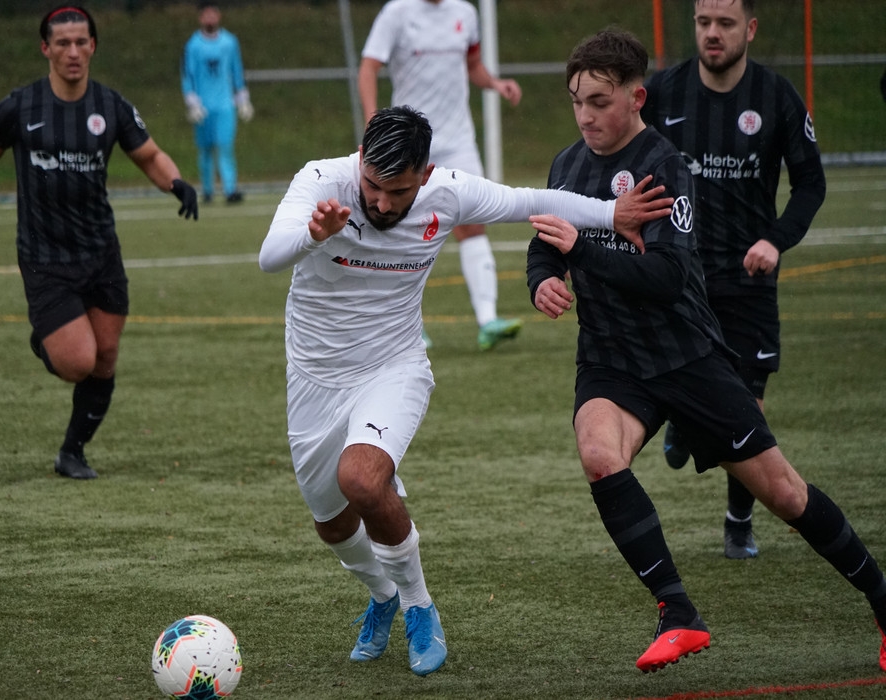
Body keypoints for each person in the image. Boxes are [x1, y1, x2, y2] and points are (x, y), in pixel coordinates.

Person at [259, 105, 672, 676]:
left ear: (425, 176)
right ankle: (382, 595)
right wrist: (312, 234)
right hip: (314, 377)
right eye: (372, 186)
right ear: (359, 160)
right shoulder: (322, 181)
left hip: (393, 367)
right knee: (331, 522)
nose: (382, 203)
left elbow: (530, 201)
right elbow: (269, 257)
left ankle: (418, 605)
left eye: (398, 191)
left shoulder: (448, 193)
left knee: (362, 479)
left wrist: (609, 213)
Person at [526, 28, 886, 673]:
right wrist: (543, 279)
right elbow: (545, 243)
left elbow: (666, 279)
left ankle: (883, 602)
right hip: (611, 358)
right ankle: (679, 613)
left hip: (686, 356)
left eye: (599, 101)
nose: (585, 116)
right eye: (577, 101)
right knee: (599, 456)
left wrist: (581, 251)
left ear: (635, 98)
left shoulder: (664, 167)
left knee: (785, 494)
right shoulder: (567, 165)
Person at [0, 5, 198, 480]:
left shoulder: (111, 106)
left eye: (81, 42)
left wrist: (176, 183)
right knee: (78, 361)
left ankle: (72, 452)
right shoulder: (19, 107)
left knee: (105, 357)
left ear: (93, 46)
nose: (73, 52)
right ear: (46, 48)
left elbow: (148, 154)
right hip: (45, 257)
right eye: (62, 43)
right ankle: (47, 341)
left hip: (101, 252)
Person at [642, 0, 826, 560]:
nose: (712, 33)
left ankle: (738, 519)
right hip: (680, 275)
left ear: (750, 28)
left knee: (749, 408)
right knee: (677, 379)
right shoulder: (663, 92)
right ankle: (683, 419)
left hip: (749, 278)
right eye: (704, 23)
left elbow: (811, 184)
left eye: (725, 23)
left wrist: (775, 240)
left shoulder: (776, 97)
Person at [358, 0, 525, 351]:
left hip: (458, 141)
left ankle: (488, 320)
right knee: (400, 228)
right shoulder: (397, 13)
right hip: (411, 143)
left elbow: (473, 66)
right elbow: (368, 68)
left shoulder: (465, 13)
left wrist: (495, 84)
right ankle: (404, 325)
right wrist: (374, 121)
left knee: (473, 224)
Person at [181, 0, 252, 205]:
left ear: (218, 16)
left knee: (225, 147)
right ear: (200, 18)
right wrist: (192, 101)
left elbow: (236, 70)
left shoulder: (229, 42)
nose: (210, 18)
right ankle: (207, 190)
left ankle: (230, 189)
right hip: (203, 106)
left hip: (225, 105)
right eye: (206, 14)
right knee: (205, 149)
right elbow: (188, 75)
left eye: (213, 14)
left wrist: (243, 98)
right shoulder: (193, 45)